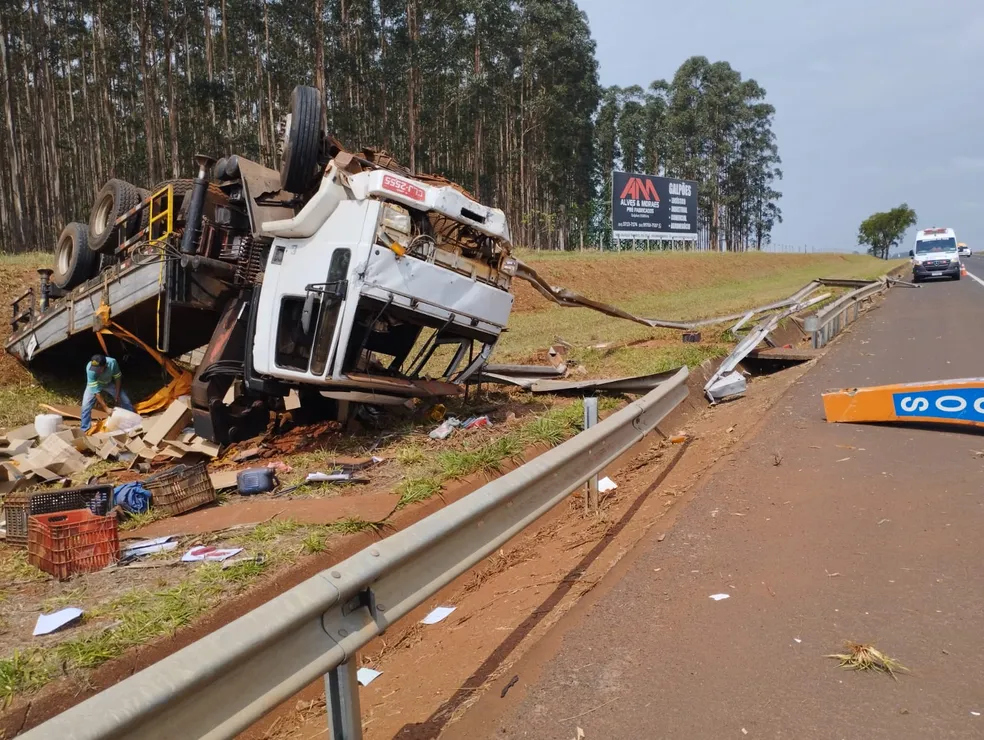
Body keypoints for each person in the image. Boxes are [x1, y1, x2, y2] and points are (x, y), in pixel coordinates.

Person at [81, 354, 135, 432]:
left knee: (125, 400)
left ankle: (133, 421)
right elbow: (96, 392)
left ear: (105, 365)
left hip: (108, 383)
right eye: (95, 368)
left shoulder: (112, 362)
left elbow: (118, 378)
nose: (96, 371)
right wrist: (106, 408)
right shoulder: (90, 370)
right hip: (95, 384)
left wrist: (117, 395)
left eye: (98, 369)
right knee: (85, 406)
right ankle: (85, 429)